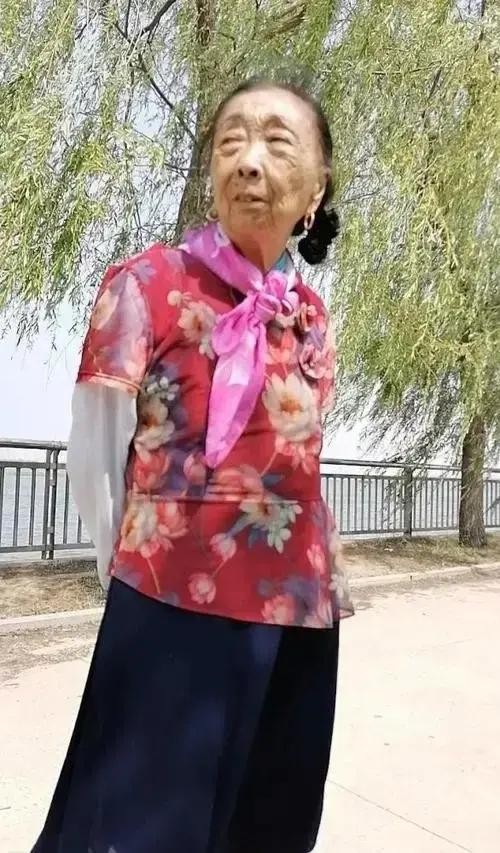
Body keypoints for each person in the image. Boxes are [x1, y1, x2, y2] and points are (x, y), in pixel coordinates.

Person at [32, 77, 354, 853]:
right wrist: (140, 576)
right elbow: (96, 453)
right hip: (172, 601)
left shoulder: (310, 317)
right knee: (138, 828)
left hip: (296, 612)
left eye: (277, 142)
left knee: (267, 823)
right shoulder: (148, 285)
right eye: (230, 141)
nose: (249, 160)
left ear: (315, 190)